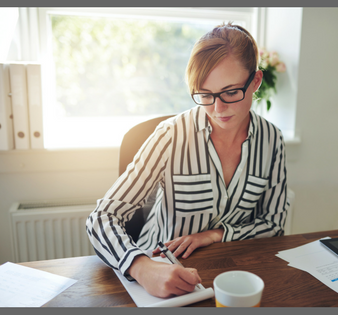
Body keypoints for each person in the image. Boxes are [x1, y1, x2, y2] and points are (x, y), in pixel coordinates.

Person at [86, 22, 289, 299]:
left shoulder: (272, 139)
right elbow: (102, 217)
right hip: (159, 271)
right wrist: (142, 267)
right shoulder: (170, 136)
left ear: (255, 81)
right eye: (205, 95)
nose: (218, 109)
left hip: (230, 273)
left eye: (230, 92)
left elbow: (274, 225)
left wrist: (216, 234)